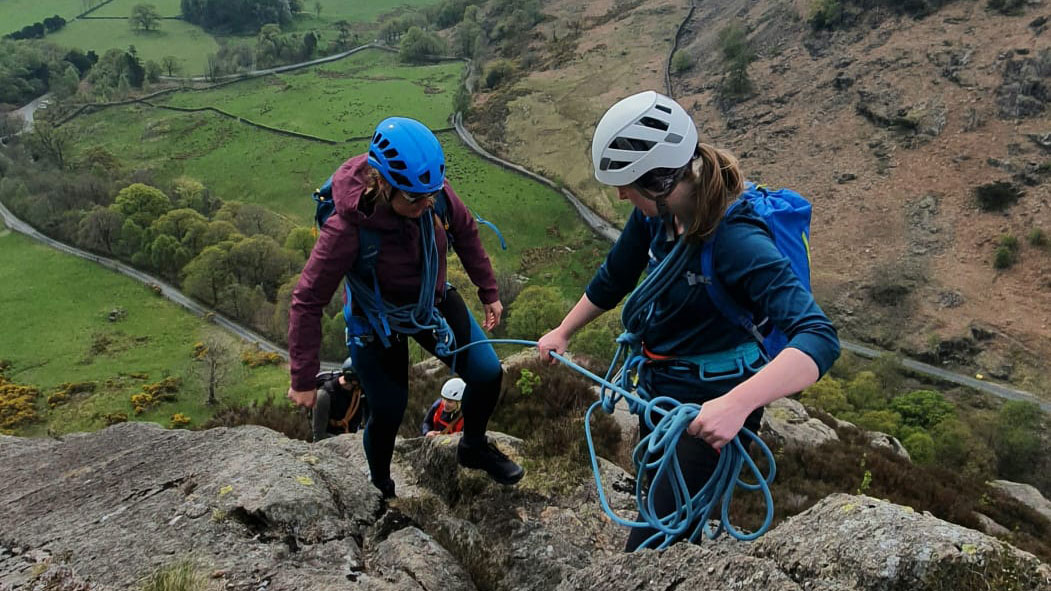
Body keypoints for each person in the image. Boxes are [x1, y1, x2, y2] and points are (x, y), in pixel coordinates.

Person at [536, 91, 840, 550]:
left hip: (711, 401)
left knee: (654, 541)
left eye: (629, 184)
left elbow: (819, 336)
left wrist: (736, 405)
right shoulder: (658, 216)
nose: (621, 195)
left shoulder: (736, 241)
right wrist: (563, 330)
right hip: (661, 389)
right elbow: (616, 275)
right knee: (668, 514)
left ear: (662, 181)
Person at [287, 116, 524, 499]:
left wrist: (488, 290)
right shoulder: (348, 229)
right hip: (375, 320)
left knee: (486, 372)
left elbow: (464, 230)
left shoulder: (430, 191)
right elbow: (307, 298)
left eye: (430, 195)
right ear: (383, 183)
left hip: (431, 301)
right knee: (389, 407)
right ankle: (381, 486)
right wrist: (303, 377)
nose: (427, 204)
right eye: (415, 199)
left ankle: (473, 447)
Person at [311, 358, 368, 442]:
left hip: (351, 436)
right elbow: (319, 435)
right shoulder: (324, 395)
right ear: (354, 380)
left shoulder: (359, 392)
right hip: (329, 439)